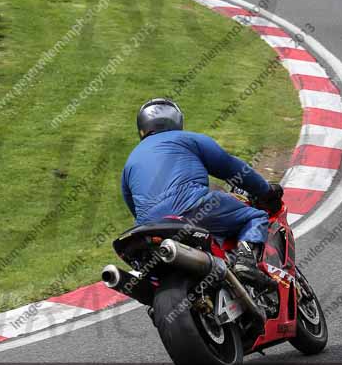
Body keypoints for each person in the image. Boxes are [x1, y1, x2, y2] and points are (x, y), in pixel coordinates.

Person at [121, 98, 284, 286]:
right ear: (175, 120)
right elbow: (233, 168)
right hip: (195, 210)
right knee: (255, 217)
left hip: (149, 229)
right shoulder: (188, 139)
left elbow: (133, 206)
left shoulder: (130, 162)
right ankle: (245, 262)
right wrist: (265, 190)